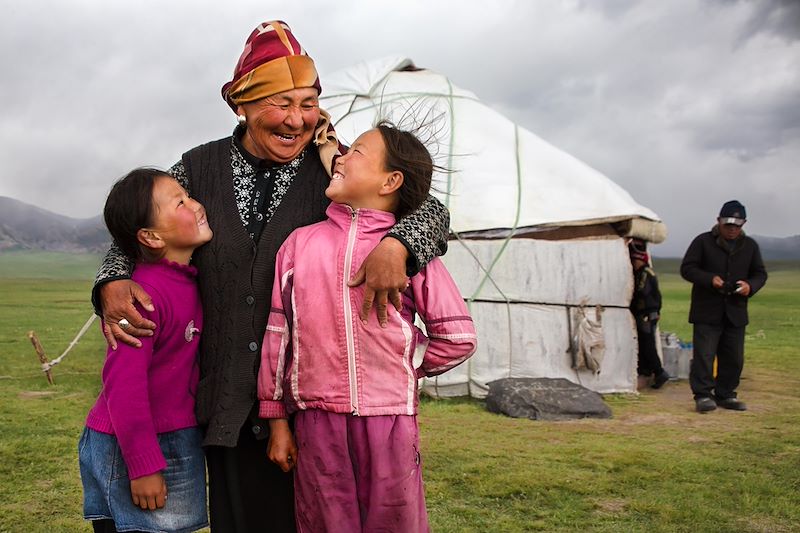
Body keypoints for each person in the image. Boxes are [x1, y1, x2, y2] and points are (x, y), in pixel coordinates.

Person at [91, 21, 450, 532]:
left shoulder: (336, 165)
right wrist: (110, 281)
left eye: (308, 103)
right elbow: (138, 222)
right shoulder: (198, 168)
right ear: (243, 105)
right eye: (281, 103)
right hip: (229, 402)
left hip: (317, 407)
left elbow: (428, 207)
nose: (297, 119)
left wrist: (400, 243)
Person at [258, 122, 477, 532]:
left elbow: (458, 337)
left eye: (356, 152)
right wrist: (276, 419)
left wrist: (401, 361)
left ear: (390, 180)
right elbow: (278, 336)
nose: (340, 158)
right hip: (315, 418)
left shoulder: (411, 253)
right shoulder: (299, 245)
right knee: (325, 523)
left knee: (394, 523)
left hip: (389, 418)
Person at [79, 168, 211, 533]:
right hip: (136, 444)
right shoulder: (139, 298)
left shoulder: (186, 281)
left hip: (170, 434)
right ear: (150, 236)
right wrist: (143, 465)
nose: (197, 205)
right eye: (181, 202)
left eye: (189, 195)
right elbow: (123, 385)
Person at [680, 200, 767, 413]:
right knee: (705, 356)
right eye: (728, 224)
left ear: (744, 223)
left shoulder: (750, 246)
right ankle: (703, 395)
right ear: (718, 221)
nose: (732, 229)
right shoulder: (702, 242)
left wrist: (750, 286)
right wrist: (710, 279)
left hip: (735, 311)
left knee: (734, 357)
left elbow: (760, 273)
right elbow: (687, 269)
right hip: (707, 310)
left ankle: (726, 394)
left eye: (736, 225)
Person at [629, 239, 670, 389]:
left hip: (646, 313)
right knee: (645, 343)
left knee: (648, 344)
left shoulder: (645, 274)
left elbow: (644, 293)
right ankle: (646, 371)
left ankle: (659, 372)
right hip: (648, 312)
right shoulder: (644, 272)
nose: (633, 263)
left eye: (635, 260)